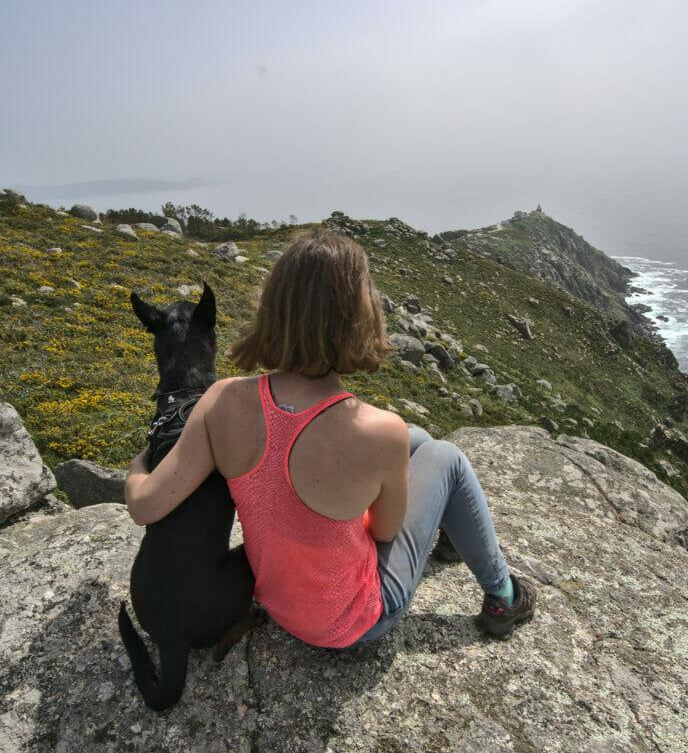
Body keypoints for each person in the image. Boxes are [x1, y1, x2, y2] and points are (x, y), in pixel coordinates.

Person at [125, 228, 535, 648]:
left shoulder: (218, 401)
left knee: (419, 439)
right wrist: (343, 495)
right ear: (359, 317)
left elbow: (143, 506)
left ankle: (449, 533)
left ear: (272, 308)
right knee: (445, 455)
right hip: (349, 624)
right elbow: (383, 532)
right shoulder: (378, 432)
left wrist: (140, 461)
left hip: (275, 600)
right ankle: (504, 597)